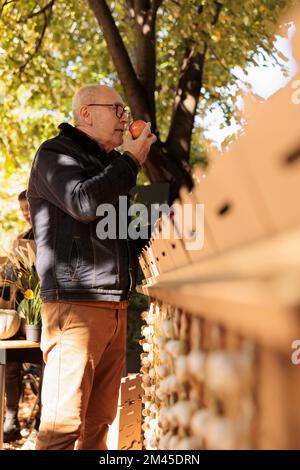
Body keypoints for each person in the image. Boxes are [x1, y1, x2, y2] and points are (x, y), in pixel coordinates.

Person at [27, 84, 156, 450]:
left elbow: (118, 231)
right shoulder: (55, 154)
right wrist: (129, 162)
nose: (124, 119)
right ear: (86, 113)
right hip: (76, 306)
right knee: (62, 427)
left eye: (124, 112)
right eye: (117, 110)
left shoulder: (106, 166)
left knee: (99, 424)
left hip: (114, 305)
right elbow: (83, 203)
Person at [4, 191, 41, 447]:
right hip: (21, 315)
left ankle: (42, 424)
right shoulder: (20, 240)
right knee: (10, 367)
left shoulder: (51, 234)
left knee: (47, 367)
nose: (26, 212)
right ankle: (11, 420)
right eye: (22, 208)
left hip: (45, 318)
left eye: (28, 207)